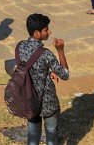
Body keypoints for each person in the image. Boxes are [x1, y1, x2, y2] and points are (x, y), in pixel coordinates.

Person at [17, 13, 69, 145]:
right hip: (47, 101)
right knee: (51, 134)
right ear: (36, 33)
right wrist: (61, 50)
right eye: (46, 29)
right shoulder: (46, 54)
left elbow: (24, 67)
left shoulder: (20, 47)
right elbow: (65, 74)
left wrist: (46, 72)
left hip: (29, 99)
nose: (49, 32)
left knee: (33, 135)